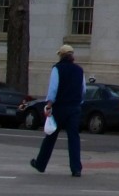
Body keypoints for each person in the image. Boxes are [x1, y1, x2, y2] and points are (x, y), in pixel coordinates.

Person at [30, 44, 86, 177]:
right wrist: (79, 102)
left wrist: (49, 104)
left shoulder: (57, 68)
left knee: (50, 137)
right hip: (74, 108)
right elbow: (83, 90)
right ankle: (76, 168)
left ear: (61, 55)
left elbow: (53, 88)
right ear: (72, 56)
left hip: (60, 107)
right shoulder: (79, 70)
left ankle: (41, 164)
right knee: (74, 138)